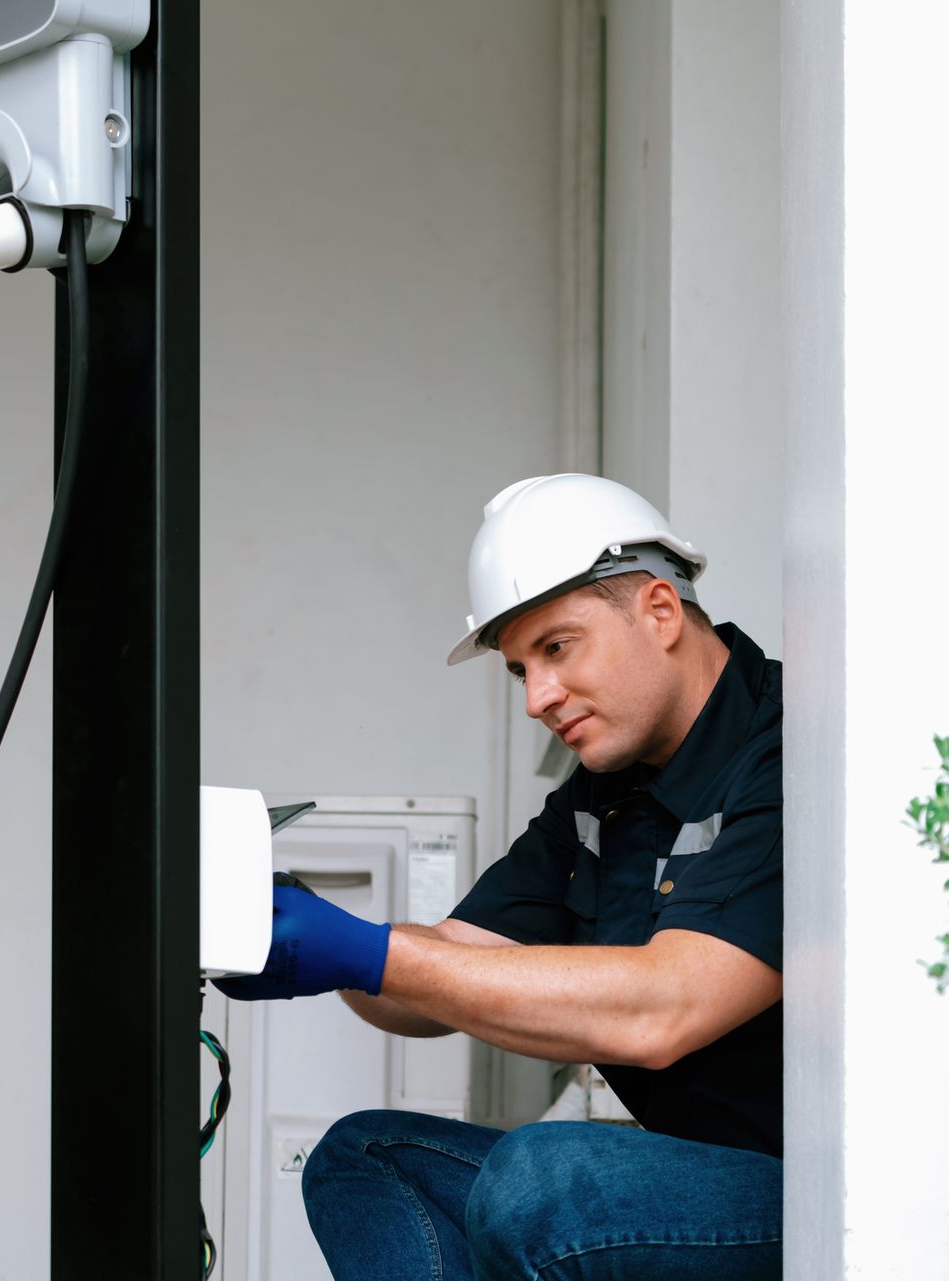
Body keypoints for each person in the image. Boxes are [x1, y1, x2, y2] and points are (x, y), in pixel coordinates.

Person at [216, 474, 783, 1280]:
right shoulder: (600, 798)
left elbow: (667, 1006)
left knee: (544, 1181)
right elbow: (446, 959)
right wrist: (312, 933)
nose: (538, 698)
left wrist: (370, 952)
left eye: (556, 647)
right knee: (362, 1158)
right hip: (680, 1177)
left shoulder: (789, 750)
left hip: (806, 1200)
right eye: (521, 669)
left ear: (660, 611)